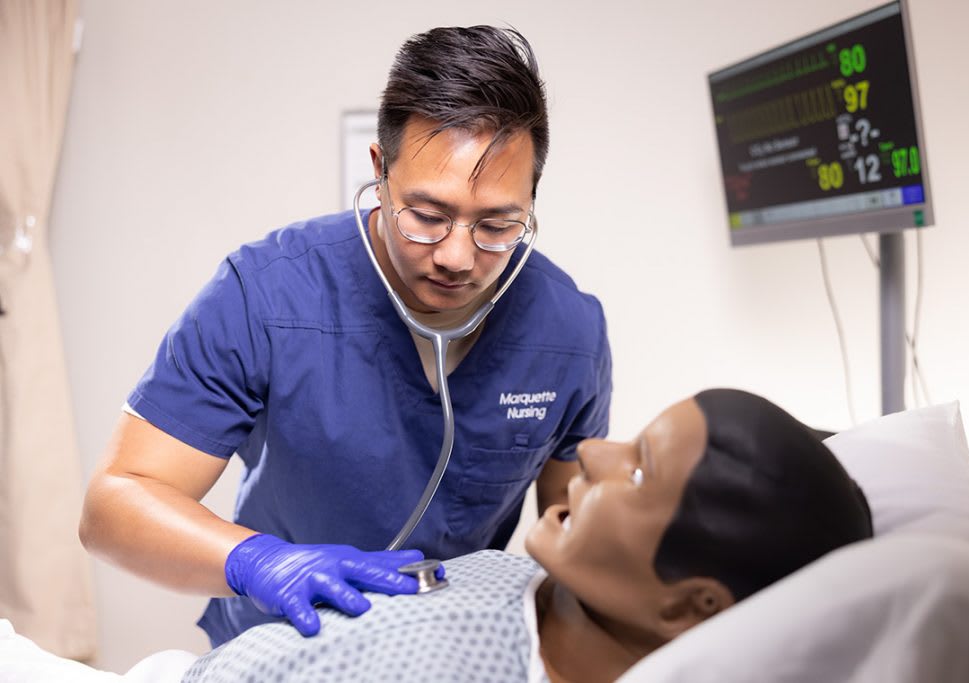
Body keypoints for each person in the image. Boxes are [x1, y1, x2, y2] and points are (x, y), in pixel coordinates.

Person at [79, 25, 611, 648]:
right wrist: (260, 563)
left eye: (497, 223)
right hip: (281, 642)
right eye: (427, 216)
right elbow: (115, 505)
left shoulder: (569, 330)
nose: (458, 257)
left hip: (450, 650)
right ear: (380, 171)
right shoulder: (265, 294)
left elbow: (577, 542)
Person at [179, 388, 874, 683]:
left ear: (690, 603)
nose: (596, 452)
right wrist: (252, 556)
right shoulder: (519, 580)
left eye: (639, 470)